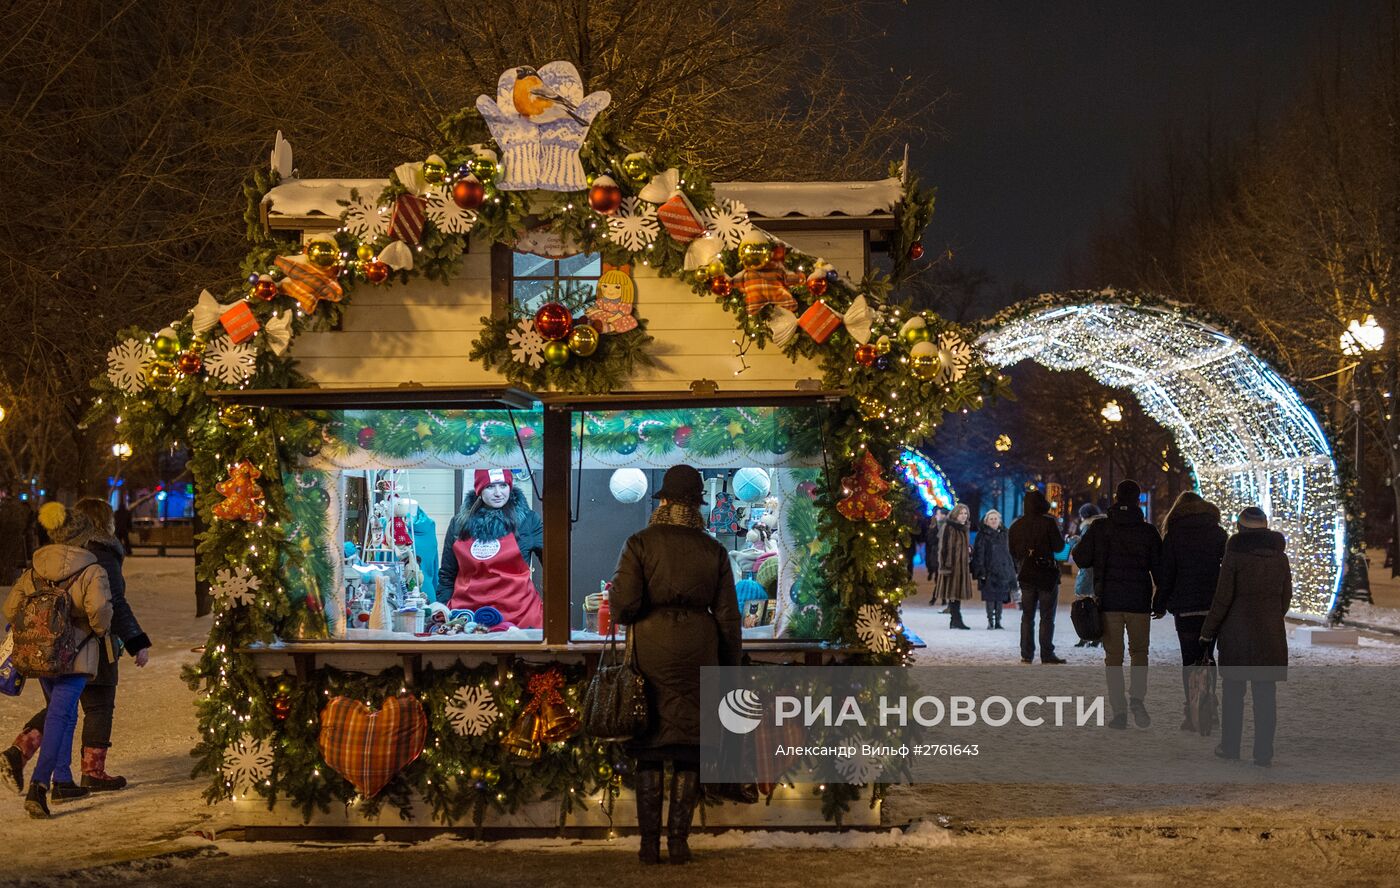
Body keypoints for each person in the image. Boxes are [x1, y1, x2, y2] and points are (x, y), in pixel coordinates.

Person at [610, 464, 741, 865]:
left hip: (651, 651)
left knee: (649, 748)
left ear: (663, 501)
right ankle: (679, 843)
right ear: (697, 505)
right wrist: (730, 666)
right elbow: (727, 615)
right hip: (700, 650)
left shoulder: (639, 542)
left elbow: (623, 606)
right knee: (689, 748)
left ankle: (649, 845)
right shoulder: (714, 549)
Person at [3, 497, 151, 793]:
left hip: (51, 646)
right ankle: (90, 771)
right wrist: (135, 640)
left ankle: (26, 755)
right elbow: (112, 605)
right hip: (90, 643)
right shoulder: (101, 555)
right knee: (98, 704)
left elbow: (13, 606)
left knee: (62, 708)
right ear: (104, 522)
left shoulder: (50, 557)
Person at [2, 502, 112, 818]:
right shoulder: (92, 569)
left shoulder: (35, 568)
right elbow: (100, 611)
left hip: (41, 656)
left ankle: (62, 779)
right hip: (77, 655)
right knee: (60, 717)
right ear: (80, 537)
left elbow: (12, 609)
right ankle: (39, 786)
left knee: (59, 714)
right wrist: (97, 630)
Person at [1201, 507, 1291, 766]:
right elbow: (1285, 598)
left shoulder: (1234, 556)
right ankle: (1263, 752)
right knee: (1265, 696)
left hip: (1236, 635)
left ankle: (1230, 747)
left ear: (1240, 529)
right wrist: (1271, 617)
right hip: (1270, 636)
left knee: (1233, 694)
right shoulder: (1280, 558)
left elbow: (1222, 599)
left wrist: (1208, 632)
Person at [1073, 479, 1162, 729]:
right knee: (1139, 652)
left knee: (1113, 656)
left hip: (1109, 599)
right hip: (1139, 601)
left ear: (1115, 498)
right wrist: (1161, 601)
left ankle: (1119, 711)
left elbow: (1081, 558)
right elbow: (1160, 569)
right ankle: (1137, 698)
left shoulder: (1101, 528)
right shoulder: (1148, 531)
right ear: (1137, 500)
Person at [1152, 491, 1227, 730]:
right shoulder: (1218, 533)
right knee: (1208, 655)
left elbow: (1167, 574)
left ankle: (1192, 709)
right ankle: (1210, 707)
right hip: (1212, 605)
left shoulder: (1174, 536)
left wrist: (1160, 604)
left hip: (1185, 606)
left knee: (1189, 659)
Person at [437, 469, 544, 629]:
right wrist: (444, 610)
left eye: (503, 485)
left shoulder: (528, 521)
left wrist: (554, 608)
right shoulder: (459, 524)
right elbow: (447, 574)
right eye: (490, 486)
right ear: (479, 489)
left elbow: (555, 568)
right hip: (467, 618)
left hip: (521, 616)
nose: (498, 493)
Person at [1008, 489, 1067, 664]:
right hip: (1046, 574)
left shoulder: (1017, 525)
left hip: (1026, 574)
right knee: (1047, 616)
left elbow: (1012, 551)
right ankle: (1047, 653)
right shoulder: (1048, 523)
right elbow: (1058, 548)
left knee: (1027, 616)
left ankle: (1026, 653)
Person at [970, 509, 1015, 629]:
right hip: (988, 571)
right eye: (991, 519)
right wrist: (981, 571)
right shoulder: (982, 535)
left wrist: (1011, 569)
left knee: (1000, 598)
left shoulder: (1005, 534)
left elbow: (1010, 552)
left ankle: (998, 621)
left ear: (1000, 520)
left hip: (1003, 571)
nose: (994, 521)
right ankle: (990, 621)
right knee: (990, 598)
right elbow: (979, 554)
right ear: (986, 521)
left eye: (996, 518)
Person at [932, 503, 975, 629]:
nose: (963, 516)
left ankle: (955, 619)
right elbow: (943, 548)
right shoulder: (949, 527)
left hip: (962, 566)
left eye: (965, 513)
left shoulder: (963, 528)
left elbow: (963, 546)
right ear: (956, 514)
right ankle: (956, 619)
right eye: (961, 513)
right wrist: (945, 566)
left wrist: (969, 550)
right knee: (953, 592)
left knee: (957, 593)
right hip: (951, 566)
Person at [1071, 503, 1103, 648]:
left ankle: (1086, 635)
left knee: (1084, 604)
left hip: (1088, 570)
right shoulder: (1102, 525)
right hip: (1099, 570)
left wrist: (1074, 542)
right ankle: (1097, 637)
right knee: (1096, 605)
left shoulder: (1088, 526)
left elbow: (1085, 548)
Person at [0, 490, 31, 584]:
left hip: (18, 540)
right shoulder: (12, 516)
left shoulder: (16, 515)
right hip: (14, 542)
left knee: (20, 561)